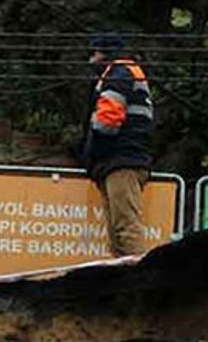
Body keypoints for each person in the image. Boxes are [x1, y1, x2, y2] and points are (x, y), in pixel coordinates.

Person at [80, 32, 157, 257]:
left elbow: (107, 122)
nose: (91, 60)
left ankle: (140, 283)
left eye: (94, 53)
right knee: (117, 233)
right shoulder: (126, 73)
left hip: (121, 160)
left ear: (105, 54)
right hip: (122, 160)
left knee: (126, 229)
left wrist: (95, 149)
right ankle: (126, 283)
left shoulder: (119, 74)